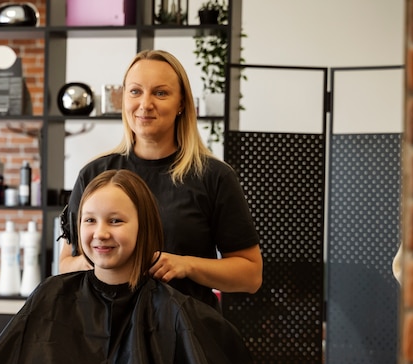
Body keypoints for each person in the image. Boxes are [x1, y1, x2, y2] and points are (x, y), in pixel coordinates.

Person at [0, 169, 267, 364]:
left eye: (116, 220)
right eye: (89, 220)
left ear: (145, 226)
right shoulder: (53, 297)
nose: (100, 233)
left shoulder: (173, 312)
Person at [59, 49, 262, 310]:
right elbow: (65, 265)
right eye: (135, 91)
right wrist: (99, 258)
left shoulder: (213, 176)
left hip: (186, 336)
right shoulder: (94, 175)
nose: (145, 104)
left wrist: (186, 265)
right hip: (108, 334)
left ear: (181, 104)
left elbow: (250, 276)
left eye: (160, 92)